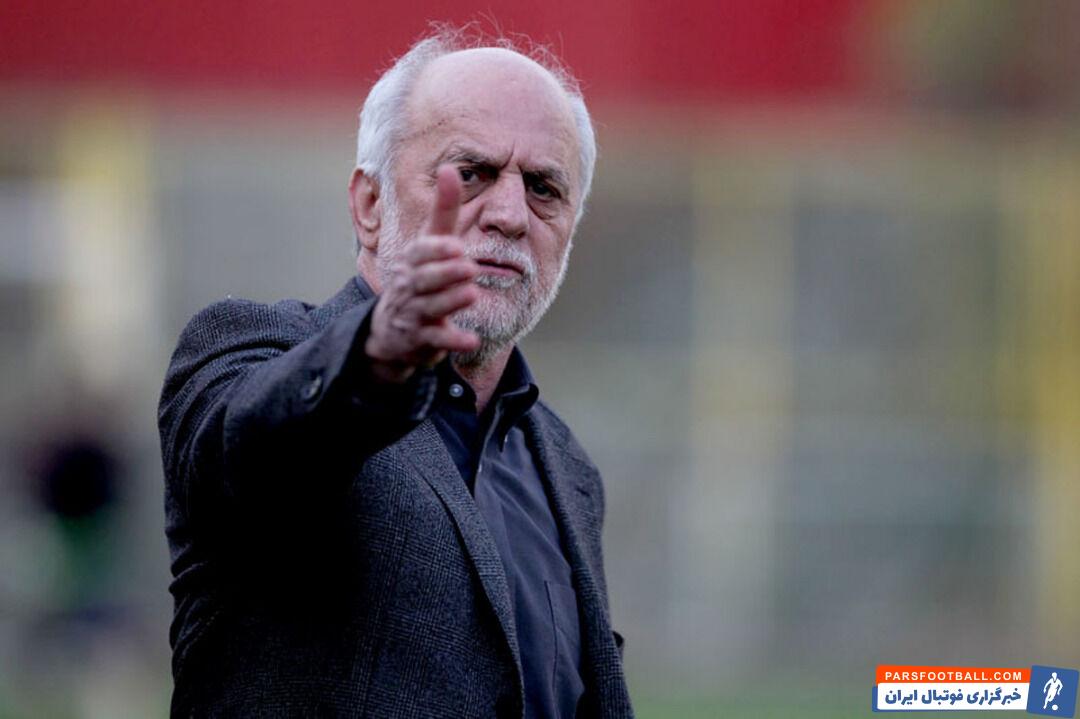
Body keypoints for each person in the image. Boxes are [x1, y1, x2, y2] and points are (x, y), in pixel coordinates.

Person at [158, 27, 633, 718]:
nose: (509, 215)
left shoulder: (568, 470)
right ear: (370, 205)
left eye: (543, 188)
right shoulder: (249, 351)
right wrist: (378, 357)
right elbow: (255, 448)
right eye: (471, 173)